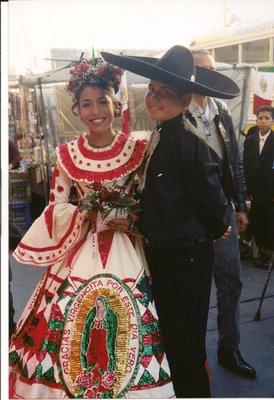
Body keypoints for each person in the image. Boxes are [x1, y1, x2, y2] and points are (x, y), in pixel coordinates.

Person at [9, 58, 174, 399]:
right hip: (81, 249)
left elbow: (155, 200)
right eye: (86, 104)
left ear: (117, 104)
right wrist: (86, 214)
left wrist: (130, 217)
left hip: (131, 248)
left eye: (103, 101)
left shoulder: (139, 149)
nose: (95, 110)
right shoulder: (67, 154)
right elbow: (55, 206)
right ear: (77, 110)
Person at [102, 45, 239, 397]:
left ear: (185, 98)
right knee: (174, 342)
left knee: (186, 346)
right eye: (151, 90)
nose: (153, 98)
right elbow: (164, 200)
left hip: (185, 259)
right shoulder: (162, 136)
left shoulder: (188, 143)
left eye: (164, 93)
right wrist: (136, 218)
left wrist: (212, 232)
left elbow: (213, 205)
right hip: (167, 256)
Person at [183, 49, 256, 379]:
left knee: (231, 282)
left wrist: (240, 207)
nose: (207, 75)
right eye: (201, 70)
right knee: (194, 288)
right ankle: (193, 357)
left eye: (212, 70)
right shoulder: (177, 112)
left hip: (223, 211)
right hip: (190, 218)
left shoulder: (222, 110)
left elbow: (234, 164)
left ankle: (230, 347)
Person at [243, 106, 274, 267]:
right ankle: (262, 254)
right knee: (258, 223)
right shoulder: (249, 141)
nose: (263, 121)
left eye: (266, 118)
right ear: (256, 120)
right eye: (260, 118)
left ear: (272, 121)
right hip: (254, 192)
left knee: (270, 223)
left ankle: (269, 257)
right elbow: (246, 167)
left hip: (271, 193)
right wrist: (247, 191)